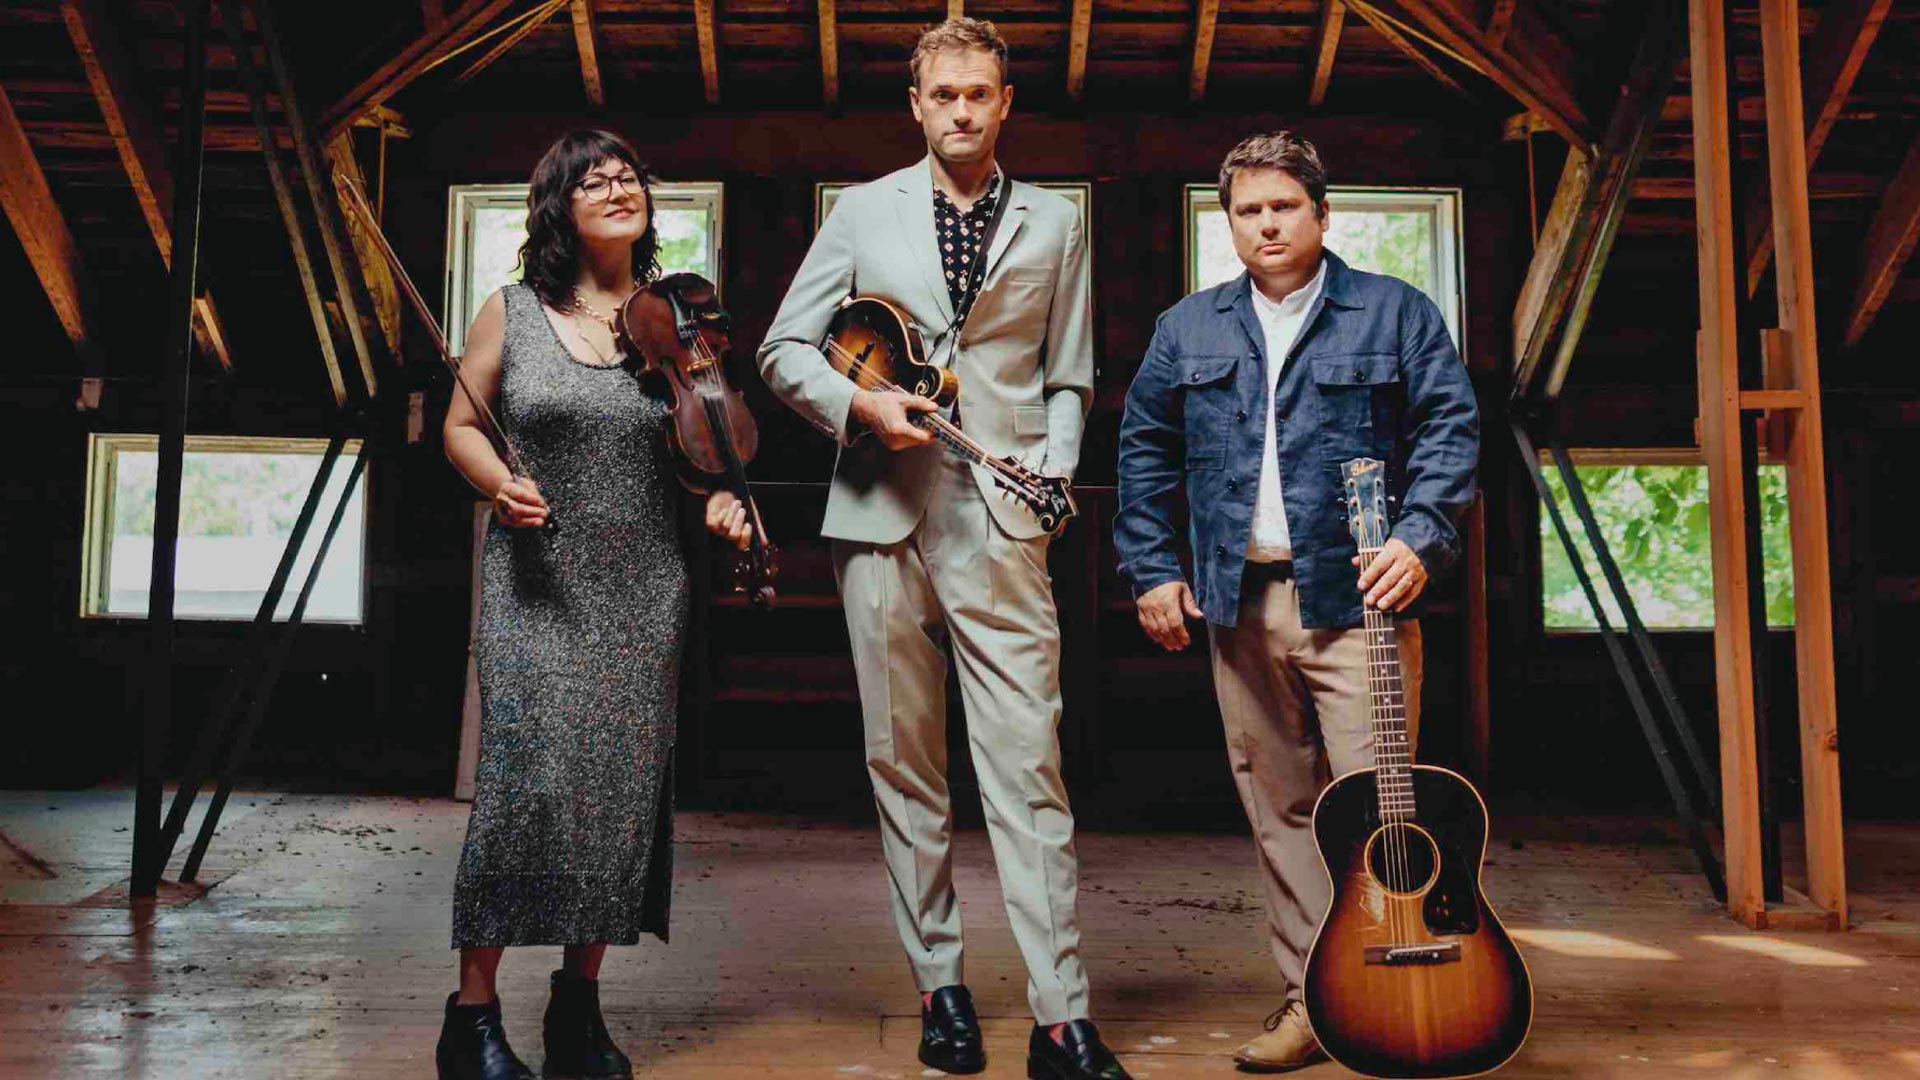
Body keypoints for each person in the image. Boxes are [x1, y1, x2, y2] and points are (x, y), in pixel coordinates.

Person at [755, 18, 1130, 1080]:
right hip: (880, 513)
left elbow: (1070, 374)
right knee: (904, 767)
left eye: (980, 94)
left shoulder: (1059, 223)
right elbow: (785, 346)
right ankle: (943, 992)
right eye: (944, 95)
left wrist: (1053, 467)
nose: (962, 109)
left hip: (1005, 524)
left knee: (1029, 770)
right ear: (916, 105)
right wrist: (860, 411)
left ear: (1005, 104)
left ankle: (1062, 1017)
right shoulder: (863, 210)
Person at [1113, 131, 1479, 1073]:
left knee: (1376, 809)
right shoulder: (1186, 328)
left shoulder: (1395, 313)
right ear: (1227, 224)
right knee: (1278, 809)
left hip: (1359, 600)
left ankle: (1402, 990)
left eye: (1284, 206)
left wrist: (1421, 539)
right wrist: (1153, 569)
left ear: (1322, 213)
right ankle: (1314, 1000)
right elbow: (1142, 452)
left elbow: (1450, 428)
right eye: (1247, 210)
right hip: (1237, 604)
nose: (1266, 223)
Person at [436, 129, 752, 1080]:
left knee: (619, 800)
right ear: (558, 209)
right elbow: (459, 426)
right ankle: (474, 1015)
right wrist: (500, 485)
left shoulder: (683, 323)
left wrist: (729, 496)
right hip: (538, 584)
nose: (619, 187)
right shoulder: (512, 312)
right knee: (521, 792)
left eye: (629, 177)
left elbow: (710, 450)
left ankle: (578, 1009)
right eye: (593, 180)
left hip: (646, 585)